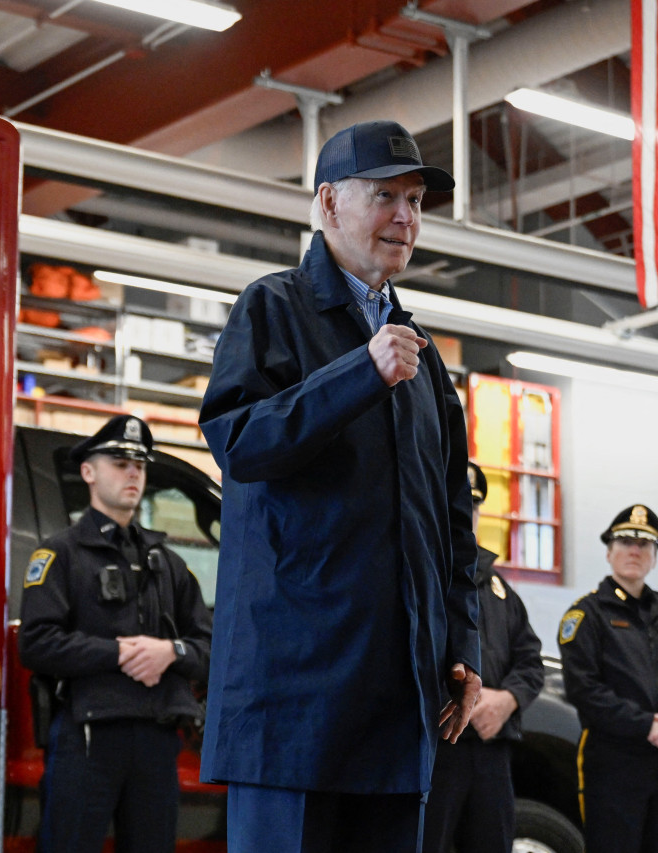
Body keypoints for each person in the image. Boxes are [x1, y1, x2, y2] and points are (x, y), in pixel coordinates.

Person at [197, 119, 482, 853]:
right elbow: (238, 441)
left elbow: (452, 522)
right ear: (327, 203)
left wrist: (462, 645)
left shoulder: (424, 362)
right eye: (384, 195)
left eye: (416, 200)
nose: (406, 217)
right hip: (292, 700)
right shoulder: (273, 308)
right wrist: (361, 370)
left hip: (395, 701)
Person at [19, 414, 212, 853]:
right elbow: (36, 643)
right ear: (88, 471)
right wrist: (119, 652)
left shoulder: (168, 562)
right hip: (88, 736)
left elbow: (211, 647)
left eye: (139, 465)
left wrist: (170, 651)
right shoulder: (60, 554)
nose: (132, 473)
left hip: (158, 738)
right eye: (119, 462)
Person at [558, 505, 658, 853]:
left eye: (645, 544)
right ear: (609, 552)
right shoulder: (587, 615)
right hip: (615, 766)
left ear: (655, 557)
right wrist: (646, 725)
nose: (635, 550)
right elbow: (583, 690)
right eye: (626, 541)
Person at [423, 463, 544, 853]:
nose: (466, 512)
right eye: (457, 502)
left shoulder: (500, 590)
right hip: (436, 749)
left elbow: (531, 662)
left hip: (492, 752)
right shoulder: (420, 574)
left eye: (473, 504)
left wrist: (506, 699)